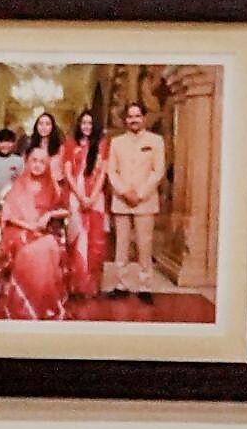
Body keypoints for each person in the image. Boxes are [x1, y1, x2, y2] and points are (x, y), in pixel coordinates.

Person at [0, 126, 74, 322]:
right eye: (34, 161)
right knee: (31, 251)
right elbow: (8, 215)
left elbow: (66, 209)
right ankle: (22, 304)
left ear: (47, 165)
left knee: (50, 246)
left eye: (42, 162)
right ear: (28, 162)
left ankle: (45, 304)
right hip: (19, 231)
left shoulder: (53, 187)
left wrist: (49, 215)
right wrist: (29, 227)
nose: (37, 165)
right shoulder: (18, 185)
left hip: (44, 231)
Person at [100, 101, 168, 296]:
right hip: (121, 199)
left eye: (137, 116)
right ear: (125, 120)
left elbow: (158, 170)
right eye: (130, 116)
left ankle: (145, 285)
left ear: (144, 118)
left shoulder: (156, 141)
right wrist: (124, 192)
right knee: (121, 244)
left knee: (144, 244)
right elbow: (112, 170)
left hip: (145, 200)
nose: (134, 120)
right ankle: (120, 285)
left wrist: (140, 193)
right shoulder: (117, 142)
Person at [63, 107, 112, 301]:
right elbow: (68, 173)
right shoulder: (70, 144)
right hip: (76, 196)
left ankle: (91, 285)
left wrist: (92, 197)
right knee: (76, 238)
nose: (86, 126)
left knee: (95, 238)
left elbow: (103, 173)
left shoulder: (102, 145)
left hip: (96, 197)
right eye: (83, 123)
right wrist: (81, 196)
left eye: (90, 123)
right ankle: (75, 283)